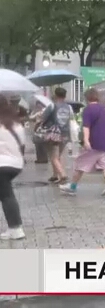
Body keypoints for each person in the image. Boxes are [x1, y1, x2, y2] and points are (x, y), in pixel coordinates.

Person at [59, 88, 105, 198]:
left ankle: (72, 187)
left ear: (87, 98)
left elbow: (86, 127)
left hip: (94, 143)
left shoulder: (88, 110)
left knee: (80, 164)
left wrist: (86, 140)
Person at [0, 94, 26, 240]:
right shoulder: (16, 124)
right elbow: (22, 144)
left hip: (1, 165)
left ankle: (15, 228)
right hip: (15, 164)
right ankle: (14, 227)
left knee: (7, 196)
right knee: (5, 194)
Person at [40, 88, 73, 185]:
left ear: (55, 95)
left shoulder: (52, 105)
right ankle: (55, 175)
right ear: (65, 96)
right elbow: (71, 118)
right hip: (65, 133)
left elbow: (43, 117)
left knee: (53, 156)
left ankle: (62, 175)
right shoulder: (69, 107)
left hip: (54, 133)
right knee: (59, 155)